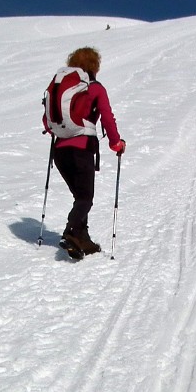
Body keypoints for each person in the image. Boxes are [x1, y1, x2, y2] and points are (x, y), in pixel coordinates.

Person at [42, 46, 126, 257]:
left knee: (80, 195)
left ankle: (83, 238)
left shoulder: (61, 88)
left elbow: (47, 120)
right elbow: (107, 117)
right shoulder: (95, 88)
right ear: (94, 66)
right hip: (82, 149)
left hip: (60, 152)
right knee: (85, 197)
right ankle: (71, 232)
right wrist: (116, 143)